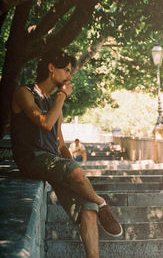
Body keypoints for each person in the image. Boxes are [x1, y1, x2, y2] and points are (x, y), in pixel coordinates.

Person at [10, 49, 123, 258]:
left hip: (52, 161)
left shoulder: (55, 104)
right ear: (51, 69)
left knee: (87, 208)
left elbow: (59, 143)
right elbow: (45, 123)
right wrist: (62, 96)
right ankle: (103, 203)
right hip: (31, 159)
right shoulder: (24, 92)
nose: (70, 77)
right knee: (79, 177)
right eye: (67, 71)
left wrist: (71, 162)